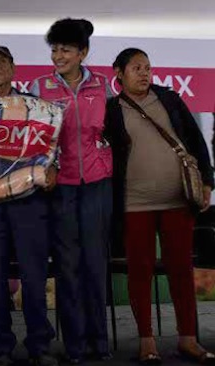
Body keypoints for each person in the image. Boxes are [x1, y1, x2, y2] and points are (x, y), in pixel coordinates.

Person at [104, 48, 215, 365]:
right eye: (136, 67)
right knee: (141, 273)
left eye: (148, 67)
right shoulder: (111, 110)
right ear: (119, 73)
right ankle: (146, 342)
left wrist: (206, 182)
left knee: (181, 270)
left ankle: (189, 340)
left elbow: (195, 141)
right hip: (134, 205)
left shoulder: (169, 100)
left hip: (177, 201)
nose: (144, 73)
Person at [0, 45, 58, 366]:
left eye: (1, 62)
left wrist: (52, 167)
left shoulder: (35, 107)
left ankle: (39, 345)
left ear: (13, 68)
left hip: (27, 201)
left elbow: (49, 147)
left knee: (34, 275)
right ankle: (1, 347)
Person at [30, 18, 113, 364]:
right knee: (68, 266)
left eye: (65, 49)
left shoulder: (104, 86)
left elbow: (114, 130)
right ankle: (76, 346)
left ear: (83, 52)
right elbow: (32, 138)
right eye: (54, 49)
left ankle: (100, 343)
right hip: (60, 186)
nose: (58, 55)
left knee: (96, 263)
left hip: (97, 184)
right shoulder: (39, 86)